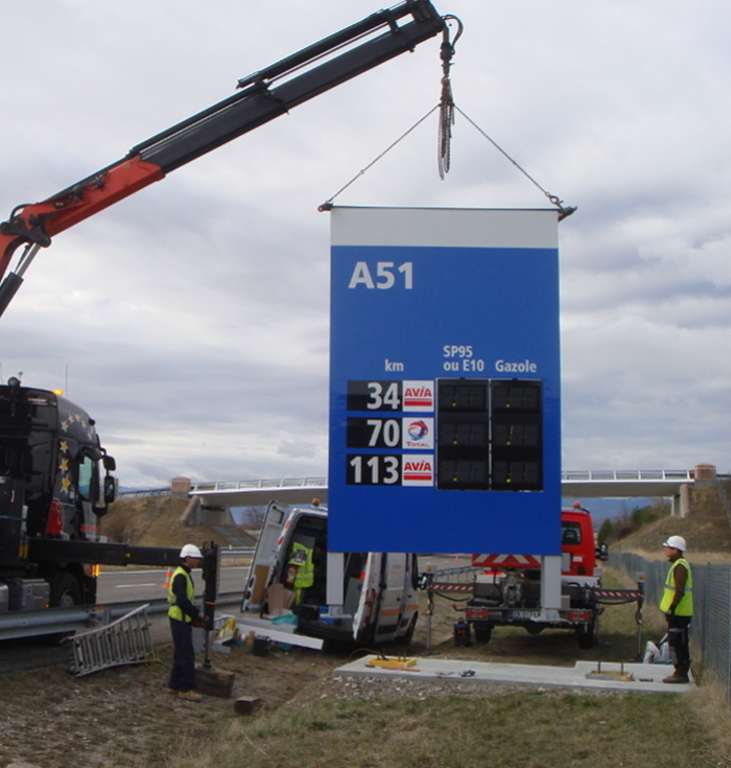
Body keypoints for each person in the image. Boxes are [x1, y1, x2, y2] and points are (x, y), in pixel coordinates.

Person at [167, 544, 208, 701]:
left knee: (180, 653)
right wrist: (196, 615)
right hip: (180, 618)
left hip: (180, 617)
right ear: (188, 558)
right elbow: (183, 601)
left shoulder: (183, 574)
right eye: (196, 558)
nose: (198, 561)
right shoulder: (181, 576)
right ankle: (186, 688)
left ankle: (174, 685)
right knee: (186, 654)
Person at [660, 535, 693, 684]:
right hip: (677, 612)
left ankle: (681, 672)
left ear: (676, 550)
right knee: (676, 642)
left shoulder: (680, 566)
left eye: (668, 547)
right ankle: (679, 671)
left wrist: (672, 608)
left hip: (679, 613)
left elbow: (679, 590)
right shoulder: (678, 565)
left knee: (678, 643)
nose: (665, 549)